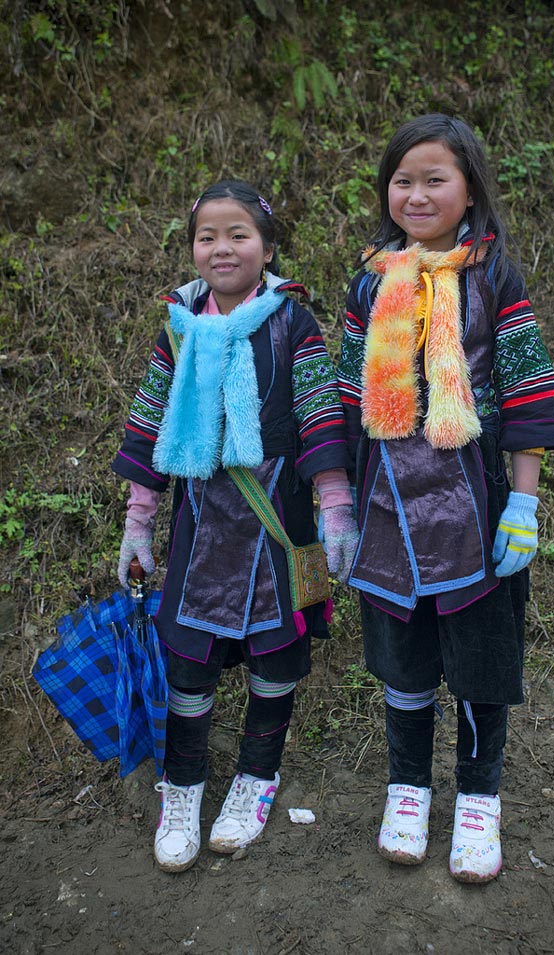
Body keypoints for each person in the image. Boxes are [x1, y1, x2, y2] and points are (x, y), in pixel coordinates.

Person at [337, 114, 554, 883]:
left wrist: (524, 505)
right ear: (386, 192)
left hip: (474, 506)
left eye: (435, 177)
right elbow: (342, 397)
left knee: (478, 660)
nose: (418, 192)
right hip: (385, 510)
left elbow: (529, 389)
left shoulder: (493, 275)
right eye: (404, 179)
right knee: (402, 661)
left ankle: (477, 800)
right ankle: (407, 788)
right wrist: (335, 505)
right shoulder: (368, 278)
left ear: (469, 190)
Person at [113, 179, 359, 873]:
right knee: (188, 668)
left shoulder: (292, 323)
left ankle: (255, 778)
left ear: (267, 246)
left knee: (273, 665)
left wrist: (335, 508)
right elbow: (149, 425)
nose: (222, 247)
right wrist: (138, 524)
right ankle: (183, 788)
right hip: (199, 531)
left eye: (238, 234)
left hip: (274, 522)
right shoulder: (176, 328)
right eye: (206, 236)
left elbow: (318, 416)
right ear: (192, 248)